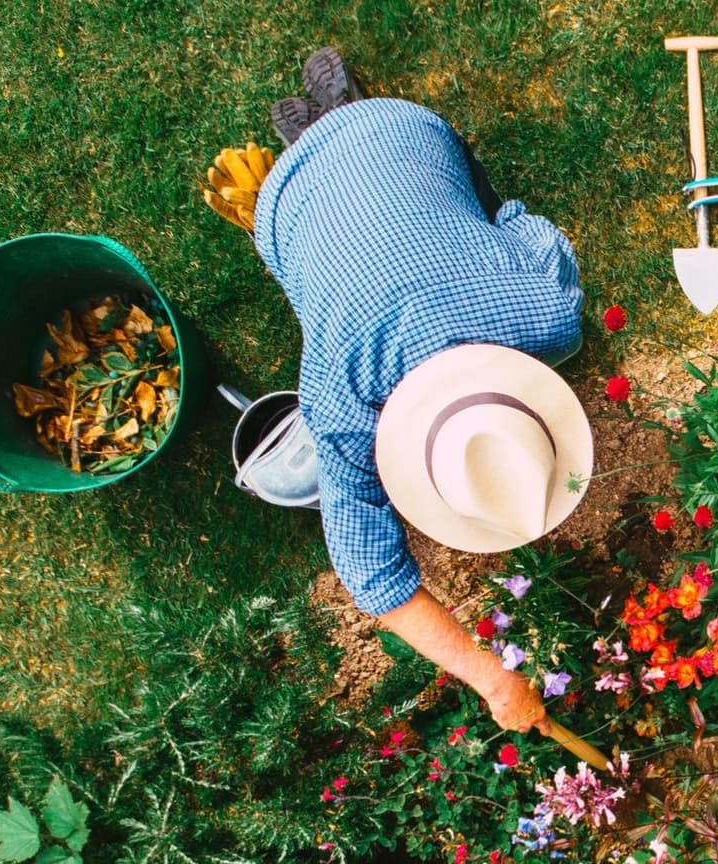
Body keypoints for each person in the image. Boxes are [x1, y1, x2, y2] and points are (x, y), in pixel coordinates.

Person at [251, 48, 590, 736]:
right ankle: (333, 134)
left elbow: (373, 577)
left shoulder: (546, 318)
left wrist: (495, 678)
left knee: (401, 219)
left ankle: (334, 135)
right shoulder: (339, 402)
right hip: (290, 201)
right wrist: (492, 679)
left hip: (378, 148)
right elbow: (522, 225)